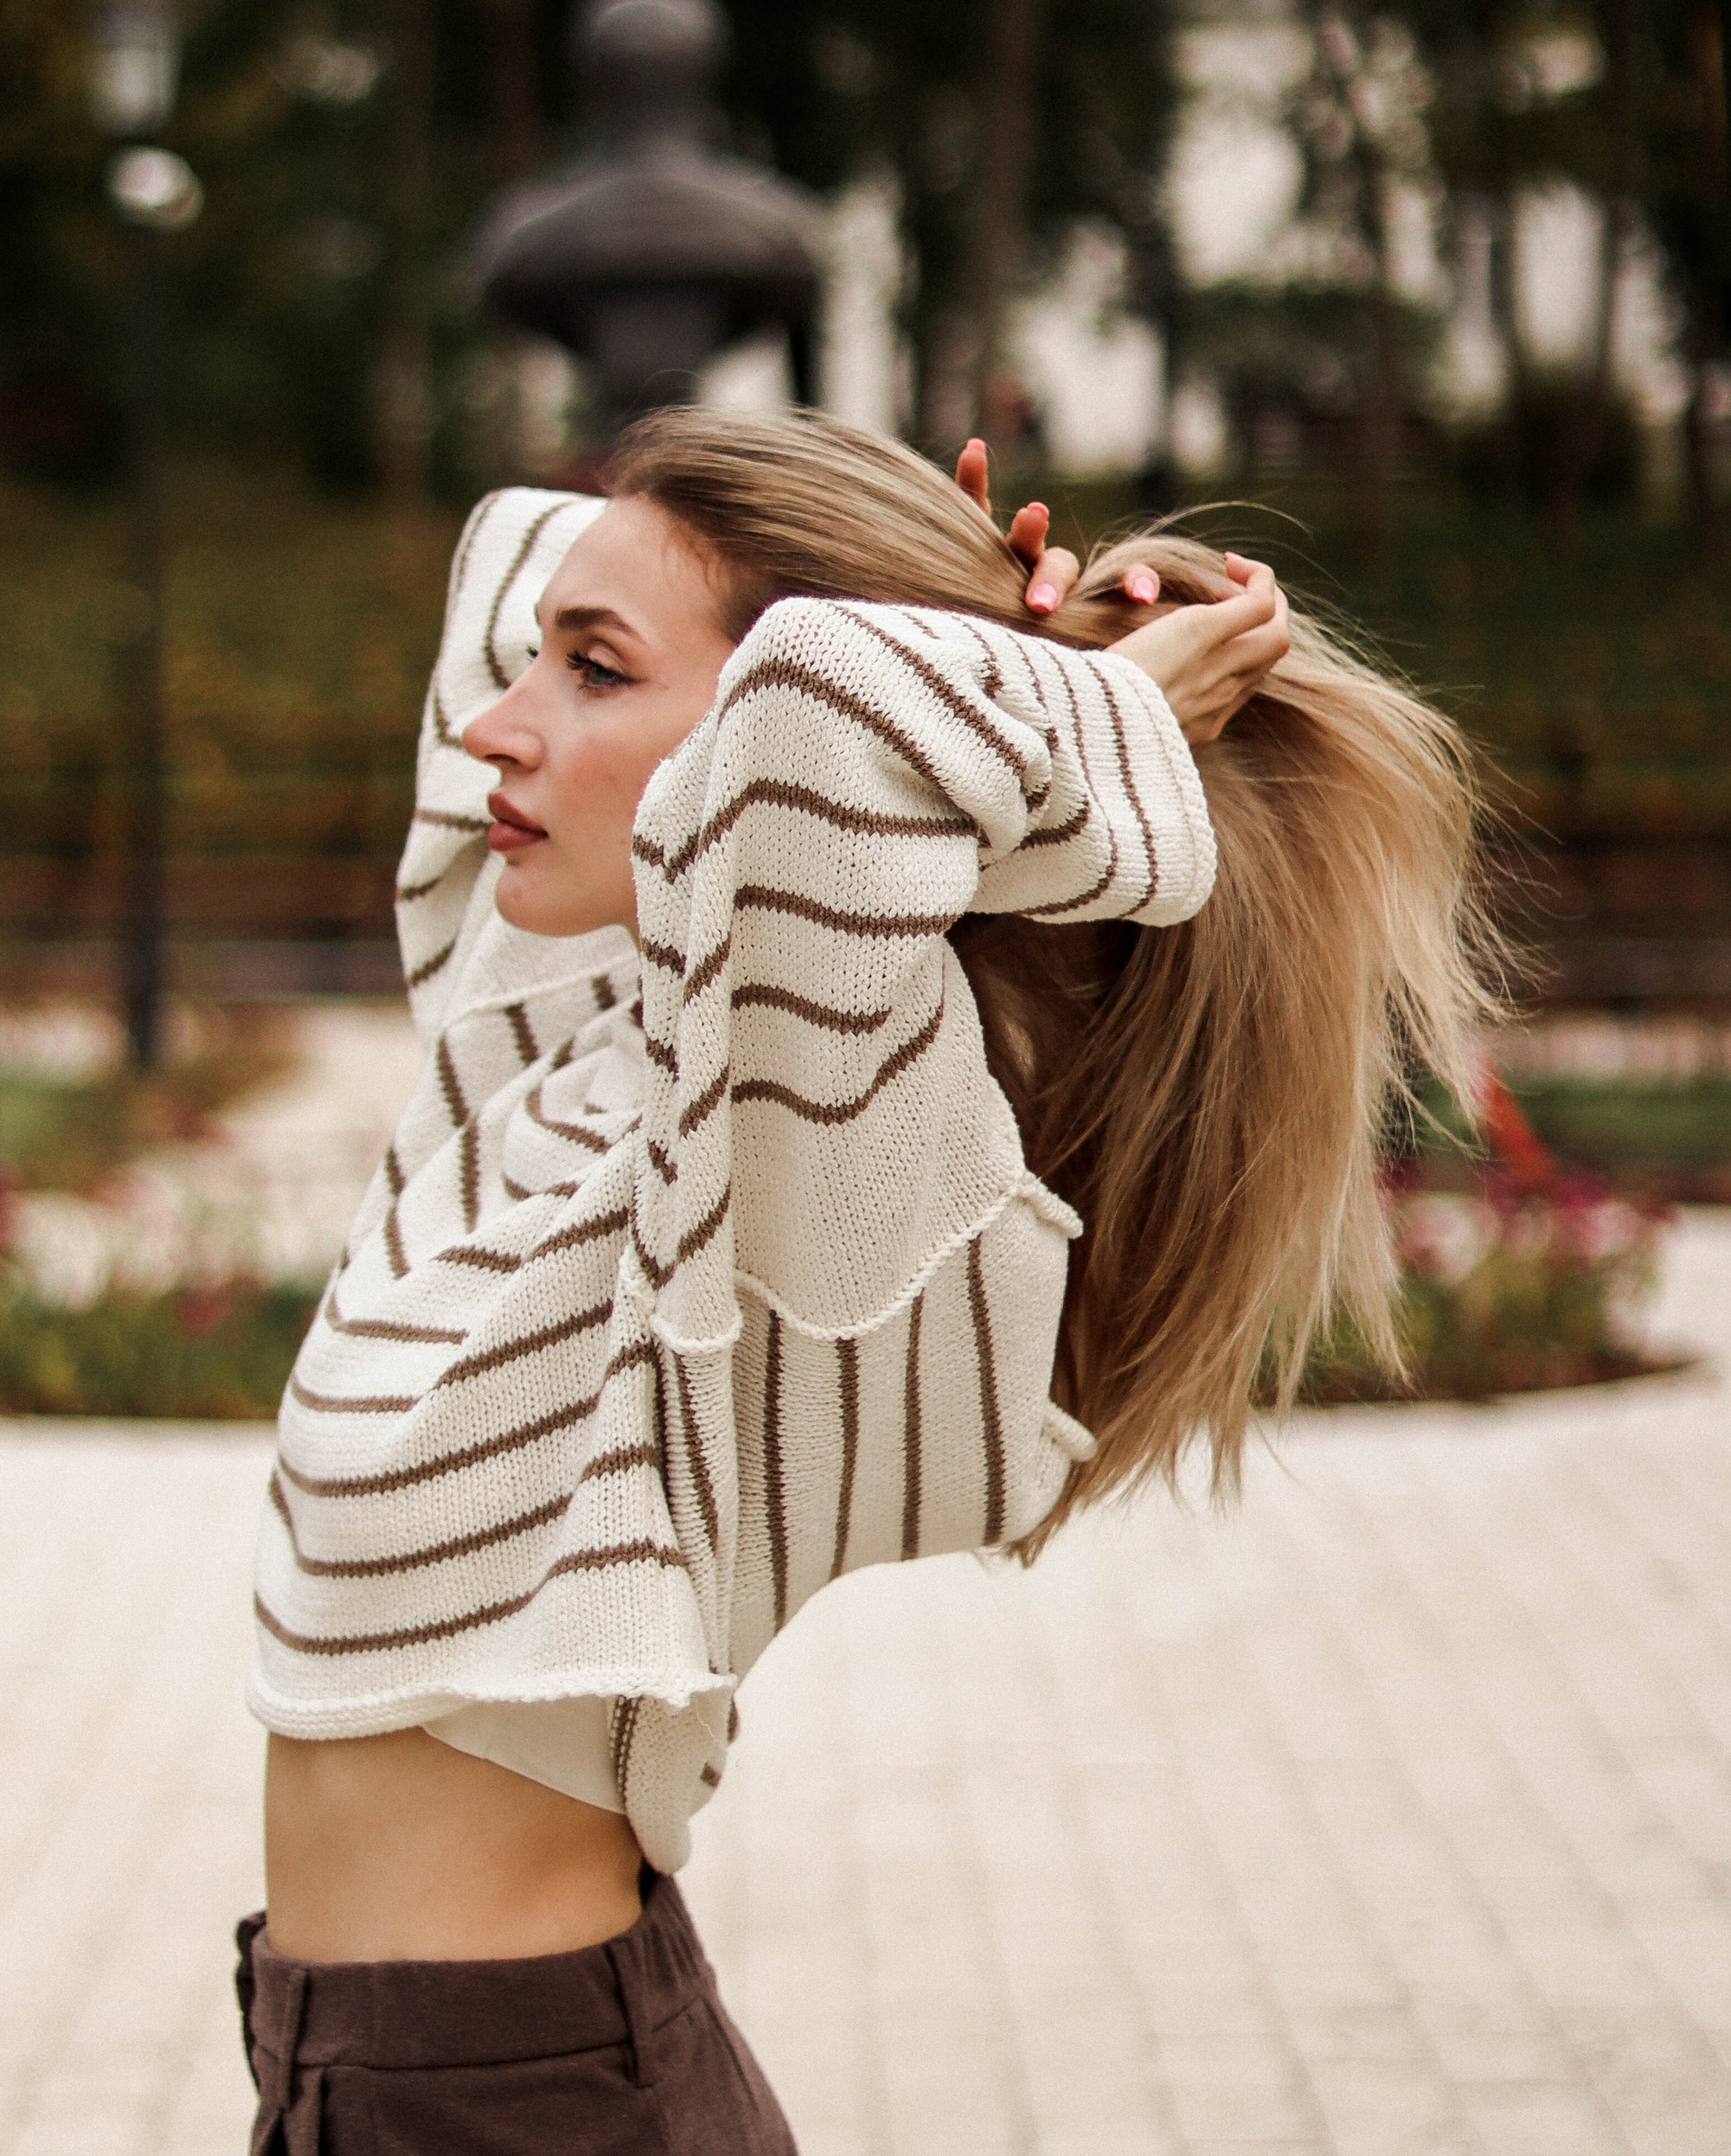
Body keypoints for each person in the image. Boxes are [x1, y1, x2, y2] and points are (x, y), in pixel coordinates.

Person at [237, 409, 1491, 2153]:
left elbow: (811, 714)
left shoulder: (797, 1119)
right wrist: (956, 629)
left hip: (518, 2102)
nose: (491, 724)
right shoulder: (545, 1036)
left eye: (592, 672)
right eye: (546, 663)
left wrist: (1023, 690)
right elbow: (524, 557)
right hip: (364, 2080)